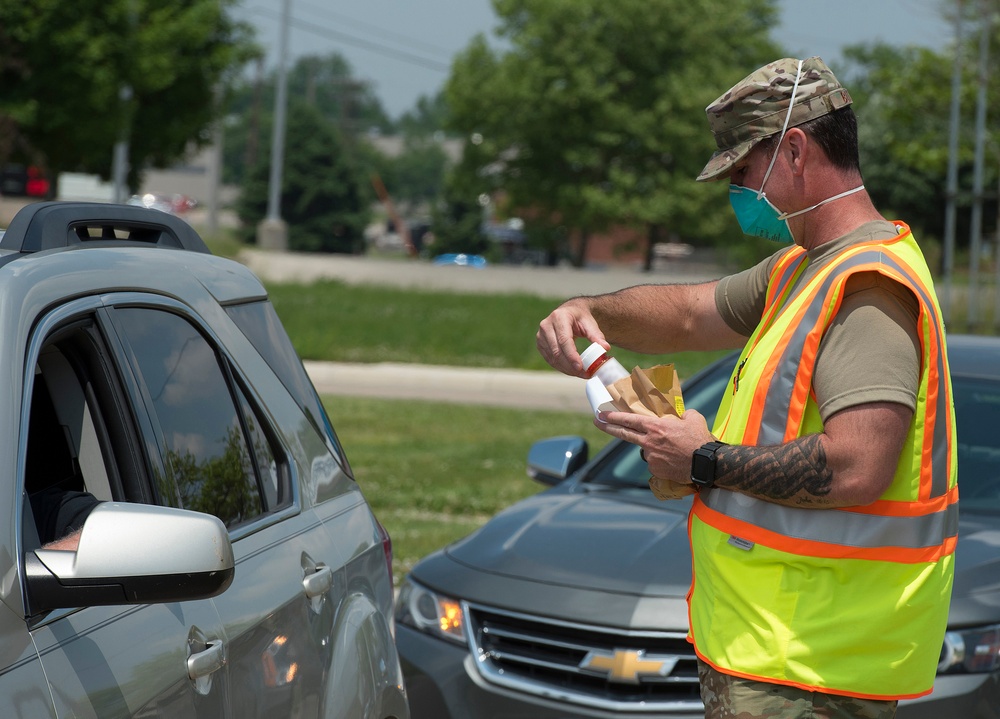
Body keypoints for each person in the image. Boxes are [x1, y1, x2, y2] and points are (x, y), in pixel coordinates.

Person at [537, 56, 956, 719]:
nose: (736, 193)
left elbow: (860, 465)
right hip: (774, 653)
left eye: (741, 172)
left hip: (810, 666)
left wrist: (703, 460)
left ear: (795, 148)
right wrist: (589, 311)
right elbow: (686, 312)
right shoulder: (801, 268)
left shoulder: (867, 286)